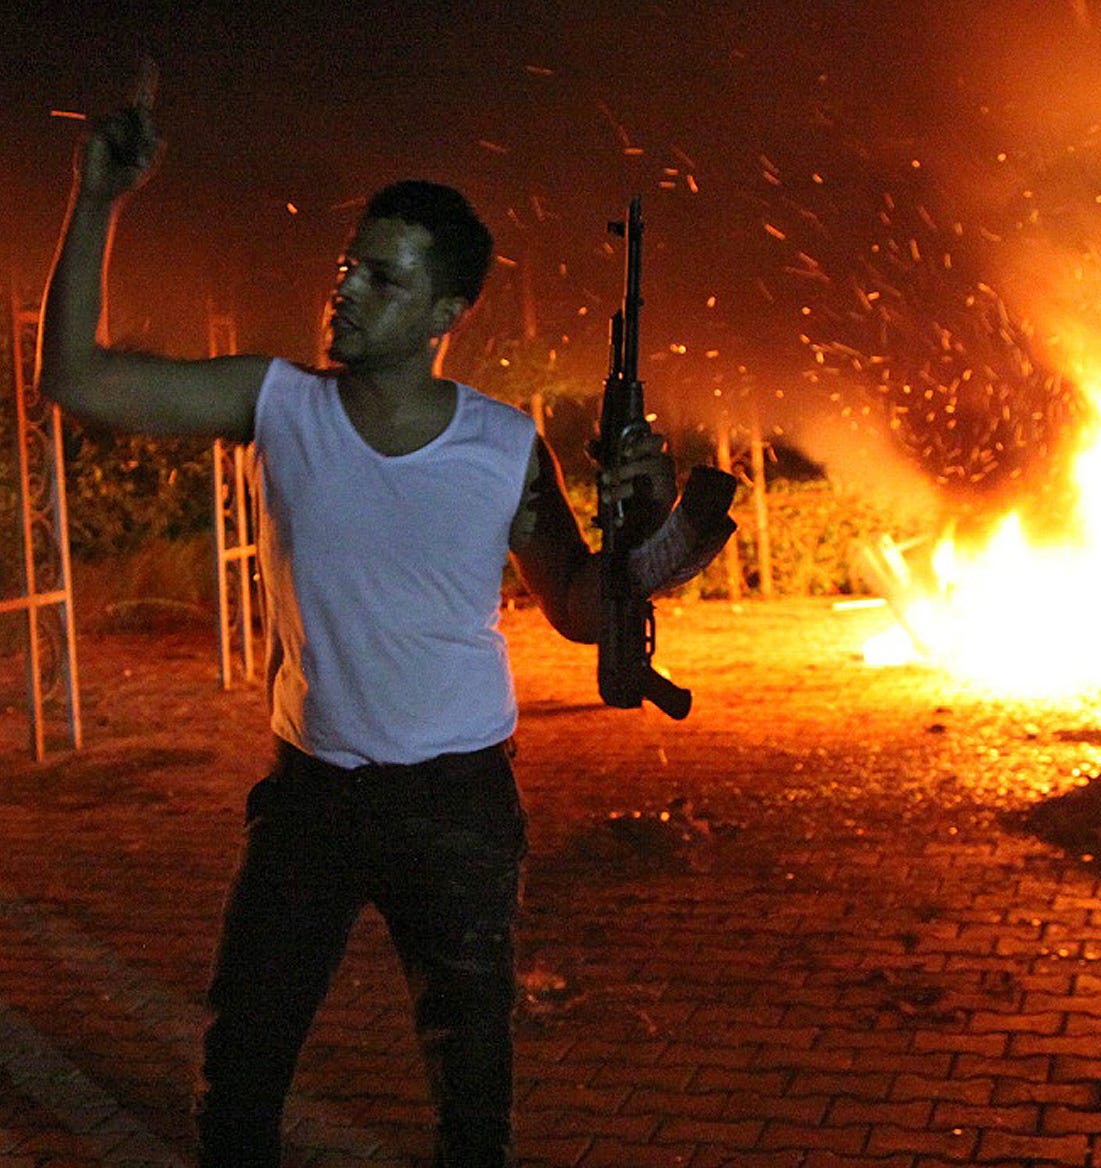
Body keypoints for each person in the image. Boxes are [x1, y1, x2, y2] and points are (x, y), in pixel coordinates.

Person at [37, 98, 716, 1168]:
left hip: (457, 808)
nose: (346, 290)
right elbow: (76, 379)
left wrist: (661, 534)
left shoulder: (502, 445)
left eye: (383, 278)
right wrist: (95, 201)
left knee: (472, 1107)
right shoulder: (275, 404)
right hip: (309, 799)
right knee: (239, 1084)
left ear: (445, 309)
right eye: (349, 267)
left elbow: (581, 612)